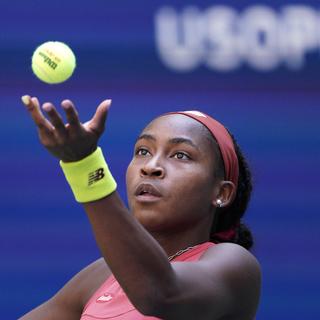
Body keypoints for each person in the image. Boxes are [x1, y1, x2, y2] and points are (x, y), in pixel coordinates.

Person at [20, 95, 261, 320]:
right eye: (143, 151)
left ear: (221, 193)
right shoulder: (102, 273)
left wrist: (85, 167)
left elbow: (161, 293)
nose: (151, 167)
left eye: (181, 156)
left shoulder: (235, 264)